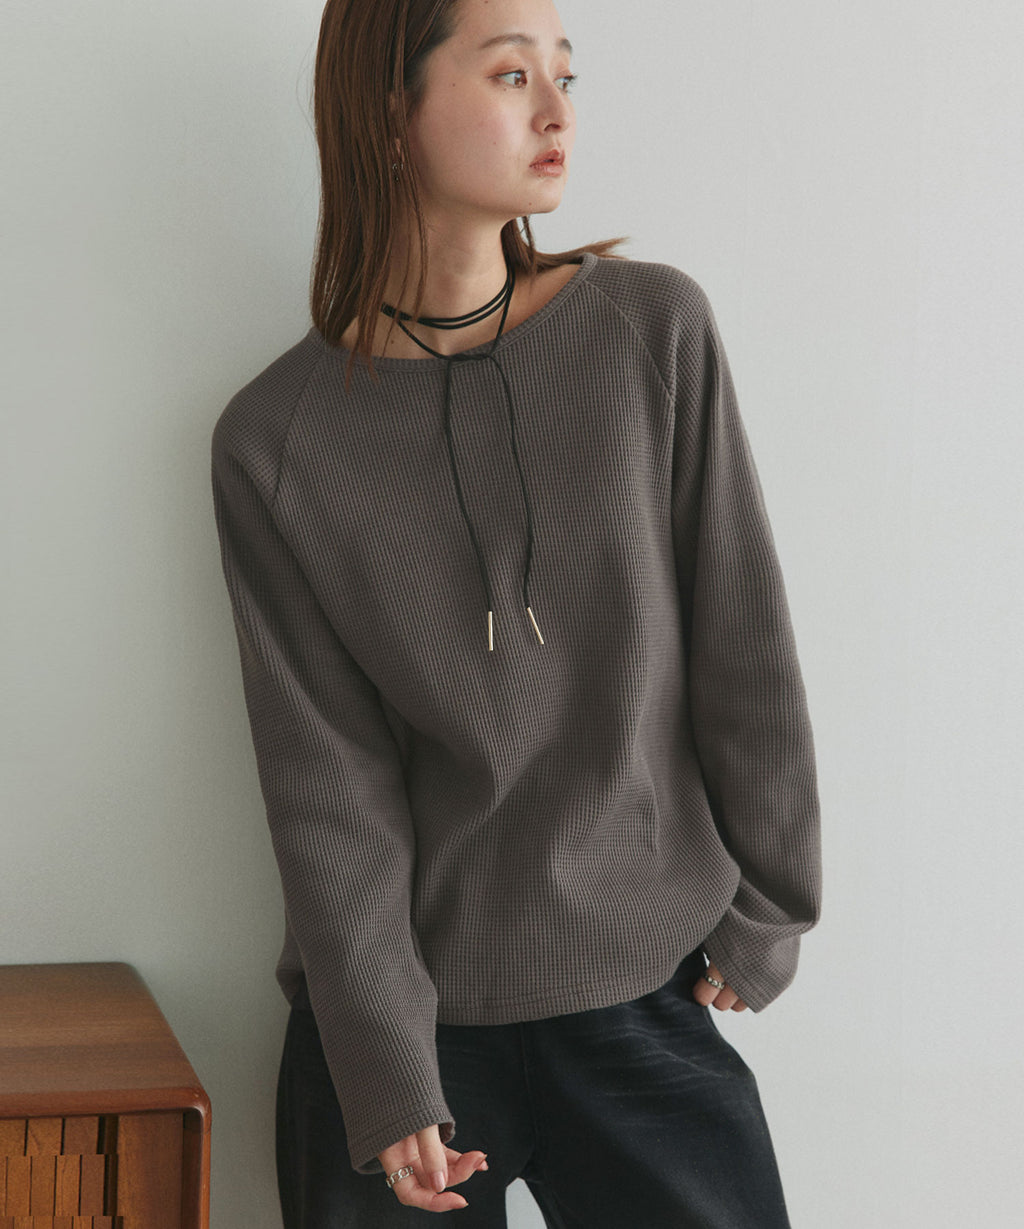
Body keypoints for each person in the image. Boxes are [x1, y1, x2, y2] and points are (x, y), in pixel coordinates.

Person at [210, 0, 822, 1224]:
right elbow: (327, 785)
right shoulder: (275, 441)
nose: (556, 112)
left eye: (564, 75)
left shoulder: (649, 330)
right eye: (508, 75)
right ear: (391, 110)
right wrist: (384, 1065)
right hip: (399, 1041)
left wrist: (771, 905)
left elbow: (743, 640)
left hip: (647, 994)